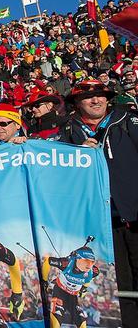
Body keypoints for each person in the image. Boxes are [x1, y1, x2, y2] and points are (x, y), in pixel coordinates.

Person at [59, 79, 138, 326]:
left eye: (101, 95)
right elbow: (54, 170)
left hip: (135, 216)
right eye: (89, 97)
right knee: (120, 284)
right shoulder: (69, 133)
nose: (96, 100)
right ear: (76, 103)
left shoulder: (128, 122)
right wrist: (77, 155)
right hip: (100, 224)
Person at [42, 246, 101, 328]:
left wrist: (83, 289)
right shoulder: (66, 263)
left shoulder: (94, 271)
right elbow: (48, 261)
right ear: (77, 259)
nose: (89, 265)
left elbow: (88, 279)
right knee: (55, 324)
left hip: (73, 297)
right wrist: (44, 280)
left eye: (92, 262)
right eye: (86, 261)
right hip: (60, 292)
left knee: (82, 324)